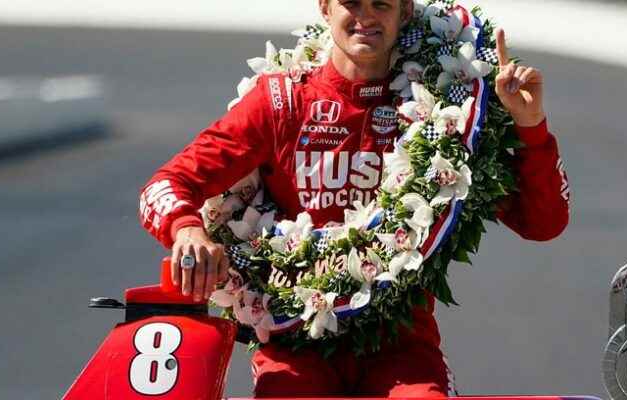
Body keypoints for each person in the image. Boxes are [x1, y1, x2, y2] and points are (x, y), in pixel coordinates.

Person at [137, 0, 570, 396]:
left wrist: (530, 126)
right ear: (325, 8)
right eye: (351, 2)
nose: (365, 16)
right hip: (297, 347)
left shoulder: (446, 113)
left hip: (402, 352)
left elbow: (543, 223)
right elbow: (167, 183)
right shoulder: (280, 100)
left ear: (404, 14)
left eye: (381, 4)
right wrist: (188, 229)